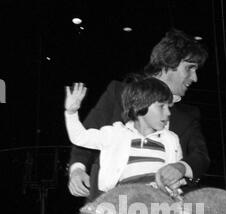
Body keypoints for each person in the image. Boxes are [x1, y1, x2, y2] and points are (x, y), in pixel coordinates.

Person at [68, 29, 210, 201]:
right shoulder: (118, 93)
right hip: (109, 208)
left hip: (162, 212)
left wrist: (181, 167)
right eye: (190, 68)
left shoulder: (188, 115)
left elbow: (200, 156)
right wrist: (77, 169)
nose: (194, 78)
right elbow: (88, 133)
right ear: (168, 64)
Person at [65, 78, 193, 194]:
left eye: (169, 107)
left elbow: (175, 171)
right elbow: (80, 137)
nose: (168, 112)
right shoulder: (115, 134)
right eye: (162, 107)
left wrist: (176, 182)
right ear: (141, 106)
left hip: (158, 201)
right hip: (125, 199)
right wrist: (71, 113)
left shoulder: (171, 139)